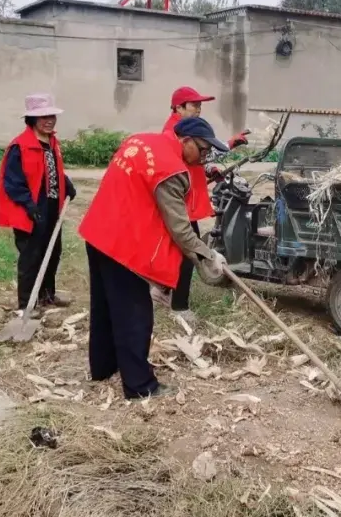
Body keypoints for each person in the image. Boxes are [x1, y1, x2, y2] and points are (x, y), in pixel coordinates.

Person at [77, 116, 230, 400]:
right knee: (135, 315)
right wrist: (209, 257)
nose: (204, 157)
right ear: (185, 141)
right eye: (203, 149)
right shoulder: (171, 170)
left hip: (98, 231)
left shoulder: (142, 140)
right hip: (123, 247)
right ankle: (139, 385)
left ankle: (103, 367)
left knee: (105, 307)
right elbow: (181, 230)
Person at [153, 86, 250, 320]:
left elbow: (197, 158)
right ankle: (179, 307)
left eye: (200, 105)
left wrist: (208, 168)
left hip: (187, 198)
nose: (198, 109)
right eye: (194, 105)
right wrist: (229, 145)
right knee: (189, 250)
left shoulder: (186, 131)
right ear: (178, 107)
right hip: (180, 202)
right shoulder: (174, 131)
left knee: (175, 249)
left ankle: (161, 289)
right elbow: (184, 161)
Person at [0, 93, 77, 311]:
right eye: (43, 117)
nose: (49, 120)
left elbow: (50, 169)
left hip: (51, 207)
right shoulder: (19, 146)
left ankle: (47, 296)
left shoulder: (51, 142)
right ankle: (26, 305)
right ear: (32, 119)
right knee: (31, 257)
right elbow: (12, 182)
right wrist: (29, 205)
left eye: (52, 115)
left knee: (52, 252)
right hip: (30, 210)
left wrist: (65, 183)